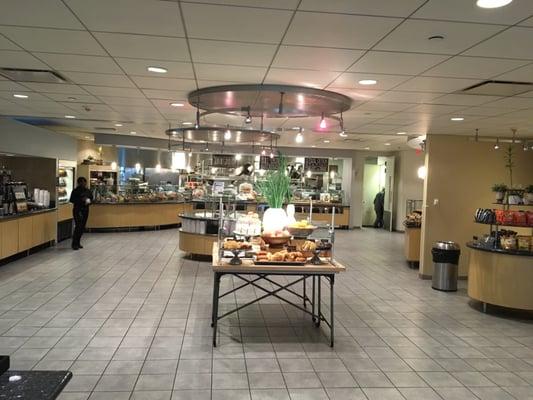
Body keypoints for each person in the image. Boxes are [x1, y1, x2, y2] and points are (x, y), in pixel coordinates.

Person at [70, 177, 93, 250]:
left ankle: (78, 242)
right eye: (82, 182)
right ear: (79, 183)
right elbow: (72, 200)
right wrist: (81, 200)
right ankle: (74, 244)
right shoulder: (75, 191)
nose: (83, 184)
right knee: (78, 226)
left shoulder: (88, 191)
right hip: (77, 210)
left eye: (84, 182)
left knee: (82, 227)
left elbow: (92, 198)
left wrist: (89, 201)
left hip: (85, 210)